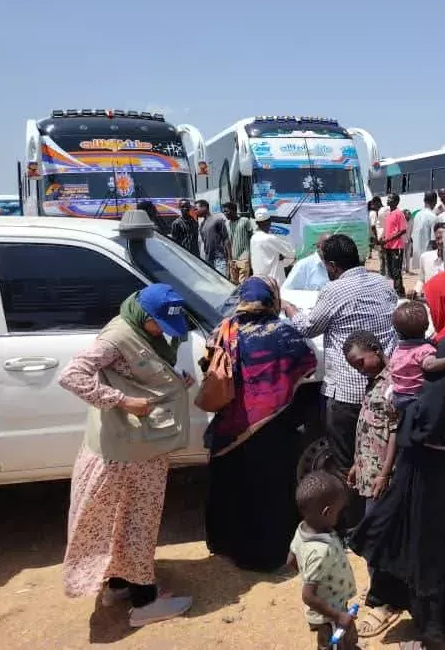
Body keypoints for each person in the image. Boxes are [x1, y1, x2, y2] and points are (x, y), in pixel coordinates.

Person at [351, 271, 445, 649]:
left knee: (429, 544)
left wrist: (405, 424)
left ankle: (433, 633)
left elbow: (429, 418)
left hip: (437, 470)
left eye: (433, 300)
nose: (430, 308)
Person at [58, 284, 195, 627]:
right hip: (127, 454)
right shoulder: (117, 337)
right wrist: (120, 400)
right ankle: (145, 602)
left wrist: (176, 383)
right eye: (160, 325)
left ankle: (118, 585)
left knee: (124, 521)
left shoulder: (138, 330)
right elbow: (71, 375)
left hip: (136, 448)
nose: (164, 332)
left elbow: (139, 372)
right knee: (137, 522)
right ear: (145, 316)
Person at [202, 276, 317, 570]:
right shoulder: (283, 332)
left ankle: (228, 546)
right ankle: (269, 556)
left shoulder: (224, 329)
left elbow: (208, 366)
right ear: (271, 299)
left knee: (234, 488)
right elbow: (308, 363)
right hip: (273, 428)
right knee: (270, 491)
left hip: (230, 427)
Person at [287, 234, 397, 530]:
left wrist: (290, 311)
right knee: (382, 456)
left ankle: (352, 526)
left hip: (347, 392)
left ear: (332, 266)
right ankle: (379, 522)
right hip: (384, 389)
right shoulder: (384, 284)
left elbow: (309, 327)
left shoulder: (333, 290)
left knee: (347, 463)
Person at [289, 472, 359, 650]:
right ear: (326, 512)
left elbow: (291, 560)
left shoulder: (302, 529)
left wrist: (308, 574)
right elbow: (308, 596)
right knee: (332, 643)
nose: (341, 515)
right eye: (339, 511)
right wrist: (337, 615)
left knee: (345, 638)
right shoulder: (320, 551)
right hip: (329, 613)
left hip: (334, 603)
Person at [342, 331, 400, 515]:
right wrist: (357, 464)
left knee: (376, 526)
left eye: (360, 363)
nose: (360, 370)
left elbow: (394, 430)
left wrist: (384, 473)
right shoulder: (373, 382)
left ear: (375, 350)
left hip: (382, 476)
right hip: (369, 472)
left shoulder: (393, 382)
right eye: (355, 367)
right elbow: (368, 428)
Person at [388, 300, 445, 412]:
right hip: (414, 398)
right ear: (427, 326)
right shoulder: (423, 350)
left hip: (398, 396)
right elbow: (429, 365)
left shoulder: (399, 349)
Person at [249, 208, 296, 282]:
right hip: (274, 282)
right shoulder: (271, 238)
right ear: (269, 222)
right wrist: (282, 259)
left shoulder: (253, 239)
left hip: (259, 282)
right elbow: (291, 254)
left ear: (257, 223)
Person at [381, 193, 408, 297]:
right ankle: (399, 292)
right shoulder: (388, 213)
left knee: (396, 271)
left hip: (396, 247)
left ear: (396, 201)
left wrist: (388, 239)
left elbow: (402, 230)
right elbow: (388, 229)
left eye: (390, 198)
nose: (388, 200)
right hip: (388, 246)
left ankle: (398, 293)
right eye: (388, 198)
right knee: (391, 271)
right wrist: (383, 238)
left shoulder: (399, 213)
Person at [196, 199, 231, 276]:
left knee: (222, 283)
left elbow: (226, 239)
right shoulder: (202, 224)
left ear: (204, 207)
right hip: (208, 260)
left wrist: (229, 259)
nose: (195, 211)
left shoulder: (217, 220)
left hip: (219, 259)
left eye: (197, 209)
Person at [223, 202, 255, 284]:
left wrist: (252, 255)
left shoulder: (244, 221)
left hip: (244, 257)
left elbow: (252, 237)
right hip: (233, 258)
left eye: (227, 211)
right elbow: (227, 242)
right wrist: (229, 258)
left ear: (234, 211)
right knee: (234, 282)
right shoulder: (227, 224)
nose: (225, 214)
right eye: (224, 212)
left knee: (243, 281)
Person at [417, 222, 445, 294]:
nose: (441, 242)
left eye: (444, 239)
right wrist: (416, 290)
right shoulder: (425, 257)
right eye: (438, 238)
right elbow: (421, 280)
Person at [411, 191, 439, 272]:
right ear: (435, 201)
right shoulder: (433, 217)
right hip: (428, 255)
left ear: (424, 200)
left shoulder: (417, 215)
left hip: (418, 256)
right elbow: (434, 241)